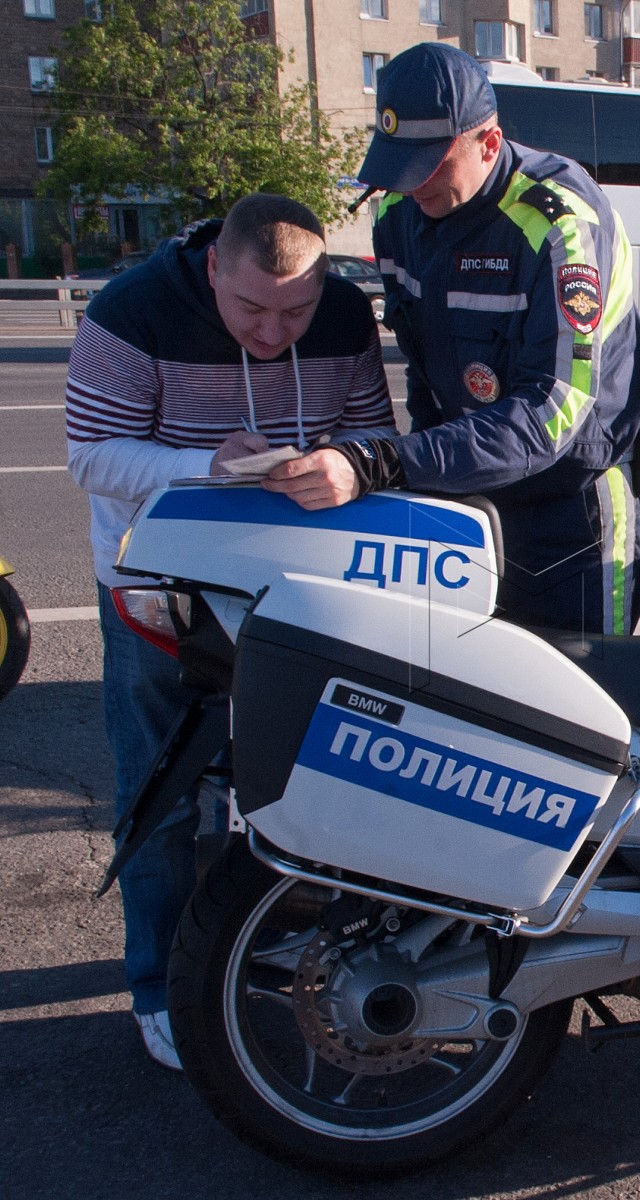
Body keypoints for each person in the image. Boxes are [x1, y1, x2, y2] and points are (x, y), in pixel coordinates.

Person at [65, 194, 395, 1069]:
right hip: (156, 590)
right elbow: (92, 453)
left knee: (303, 781)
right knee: (160, 792)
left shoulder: (342, 312)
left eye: (295, 310)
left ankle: (270, 947)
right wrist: (200, 466)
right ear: (214, 264)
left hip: (295, 584)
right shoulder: (130, 309)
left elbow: (370, 427)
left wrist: (347, 464)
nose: (274, 332)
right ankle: (157, 989)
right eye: (251, 308)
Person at [266, 41, 640, 635]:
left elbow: (552, 415)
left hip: (571, 507)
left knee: (586, 703)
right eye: (401, 165)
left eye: (431, 167)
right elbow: (423, 370)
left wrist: (381, 463)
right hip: (460, 491)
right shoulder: (398, 213)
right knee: (464, 698)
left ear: (489, 144)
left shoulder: (560, 226)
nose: (413, 188)